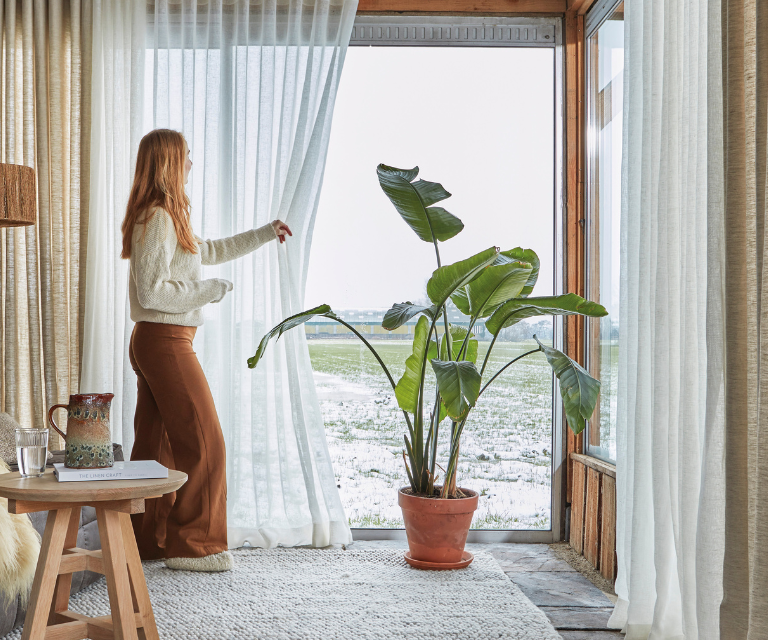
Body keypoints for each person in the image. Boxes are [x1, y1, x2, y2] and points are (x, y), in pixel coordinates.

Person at [120, 129, 291, 572]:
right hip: (165, 340)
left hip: (158, 339)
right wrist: (209, 291)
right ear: (169, 163)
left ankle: (147, 541)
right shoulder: (157, 217)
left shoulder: (164, 216)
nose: (192, 164)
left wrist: (265, 233)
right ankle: (193, 546)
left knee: (156, 448)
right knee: (205, 443)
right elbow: (152, 291)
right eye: (187, 157)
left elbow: (207, 250)